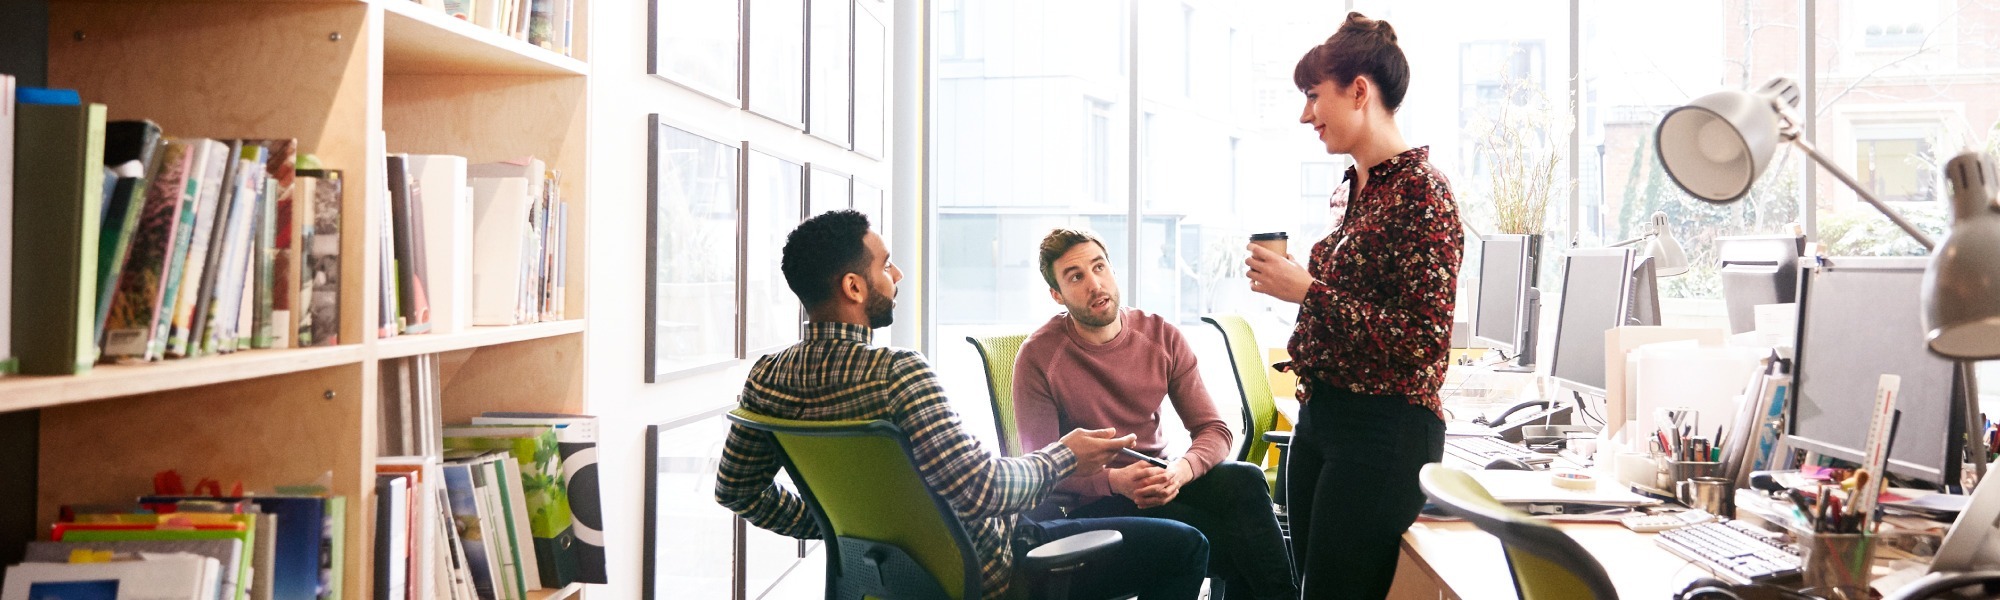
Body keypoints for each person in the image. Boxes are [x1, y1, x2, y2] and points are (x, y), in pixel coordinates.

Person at [715, 210, 1210, 600]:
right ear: (853, 287)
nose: (898, 274)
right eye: (885, 264)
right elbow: (982, 492)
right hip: (996, 569)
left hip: (879, 572)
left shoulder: (766, 379)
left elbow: (737, 491)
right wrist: (1067, 455)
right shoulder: (896, 373)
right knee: (1186, 547)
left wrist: (837, 524)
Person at [1243, 13, 1463, 600]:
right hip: (1324, 418)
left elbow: (1422, 342)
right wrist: (1303, 283)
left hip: (1383, 431)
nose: (1305, 114)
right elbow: (1359, 304)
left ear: (1359, 91)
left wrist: (1308, 291)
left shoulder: (1424, 193)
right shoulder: (1354, 187)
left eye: (1314, 96)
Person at [1013, 228, 1299, 600]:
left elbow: (1214, 429)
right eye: (1076, 276)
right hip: (1092, 501)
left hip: (1162, 480)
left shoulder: (1159, 335)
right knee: (1240, 544)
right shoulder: (1038, 357)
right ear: (1057, 295)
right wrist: (1115, 480)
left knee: (1244, 480)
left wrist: (1182, 471)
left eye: (1099, 267)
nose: (1094, 284)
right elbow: (1039, 470)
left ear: (1113, 271)